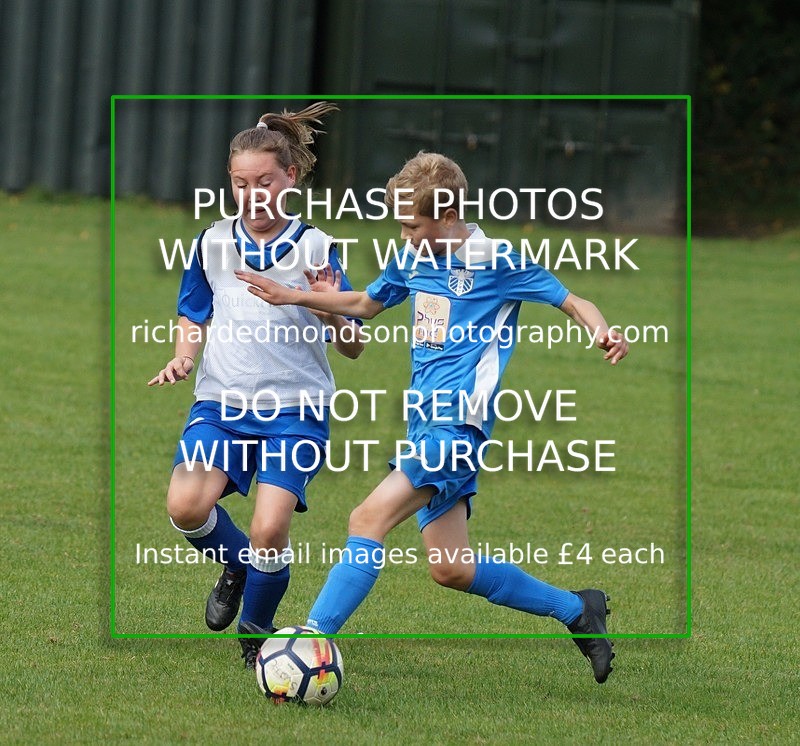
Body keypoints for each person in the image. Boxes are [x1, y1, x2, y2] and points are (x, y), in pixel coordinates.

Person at [235, 152, 628, 684]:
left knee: (366, 520)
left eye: (412, 226)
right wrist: (307, 297)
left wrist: (602, 331)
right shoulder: (414, 257)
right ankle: (578, 610)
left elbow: (573, 301)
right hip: (423, 425)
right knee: (451, 567)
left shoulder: (496, 259)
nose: (405, 236)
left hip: (458, 427)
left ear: (447, 216)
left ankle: (311, 640)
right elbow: (368, 304)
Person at [148, 102, 364, 668]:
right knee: (185, 505)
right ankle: (238, 564)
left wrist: (328, 309)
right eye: (241, 184)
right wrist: (183, 357)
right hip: (221, 403)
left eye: (264, 182)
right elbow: (193, 311)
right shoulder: (212, 241)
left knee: (270, 528)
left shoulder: (315, 248)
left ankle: (258, 633)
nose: (253, 195)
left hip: (295, 410)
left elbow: (354, 344)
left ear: (290, 177)